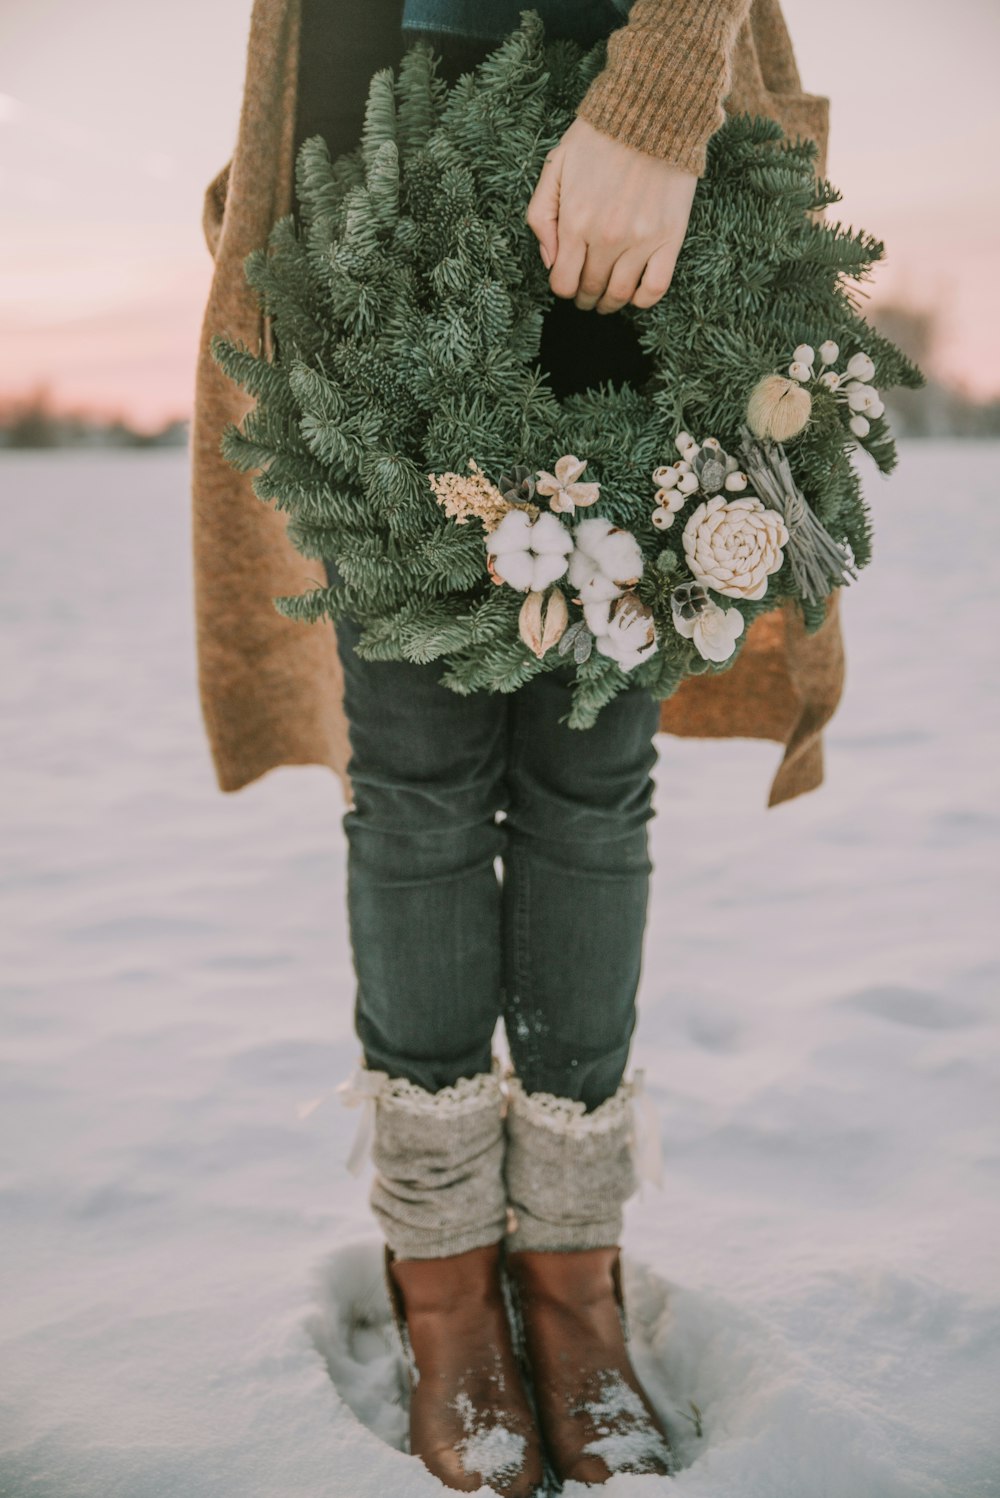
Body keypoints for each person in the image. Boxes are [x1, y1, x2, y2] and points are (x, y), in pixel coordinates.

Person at [193, 2, 832, 1491]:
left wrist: (665, 100)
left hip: (641, 178)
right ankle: (442, 1281)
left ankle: (571, 1276)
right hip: (373, 179)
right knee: (413, 785)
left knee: (594, 787)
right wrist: (261, 188)